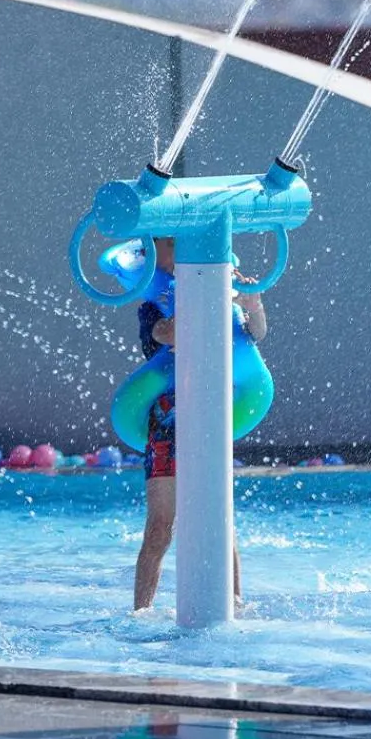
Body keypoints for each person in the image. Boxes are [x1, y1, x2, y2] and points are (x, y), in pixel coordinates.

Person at [133, 237, 267, 611]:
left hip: (211, 407)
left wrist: (251, 302)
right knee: (161, 525)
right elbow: (165, 334)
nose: (170, 252)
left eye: (174, 244)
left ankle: (235, 603)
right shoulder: (151, 304)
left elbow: (256, 333)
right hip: (168, 415)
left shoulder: (228, 285)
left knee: (220, 517)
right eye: (164, 246)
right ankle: (141, 611)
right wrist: (198, 300)